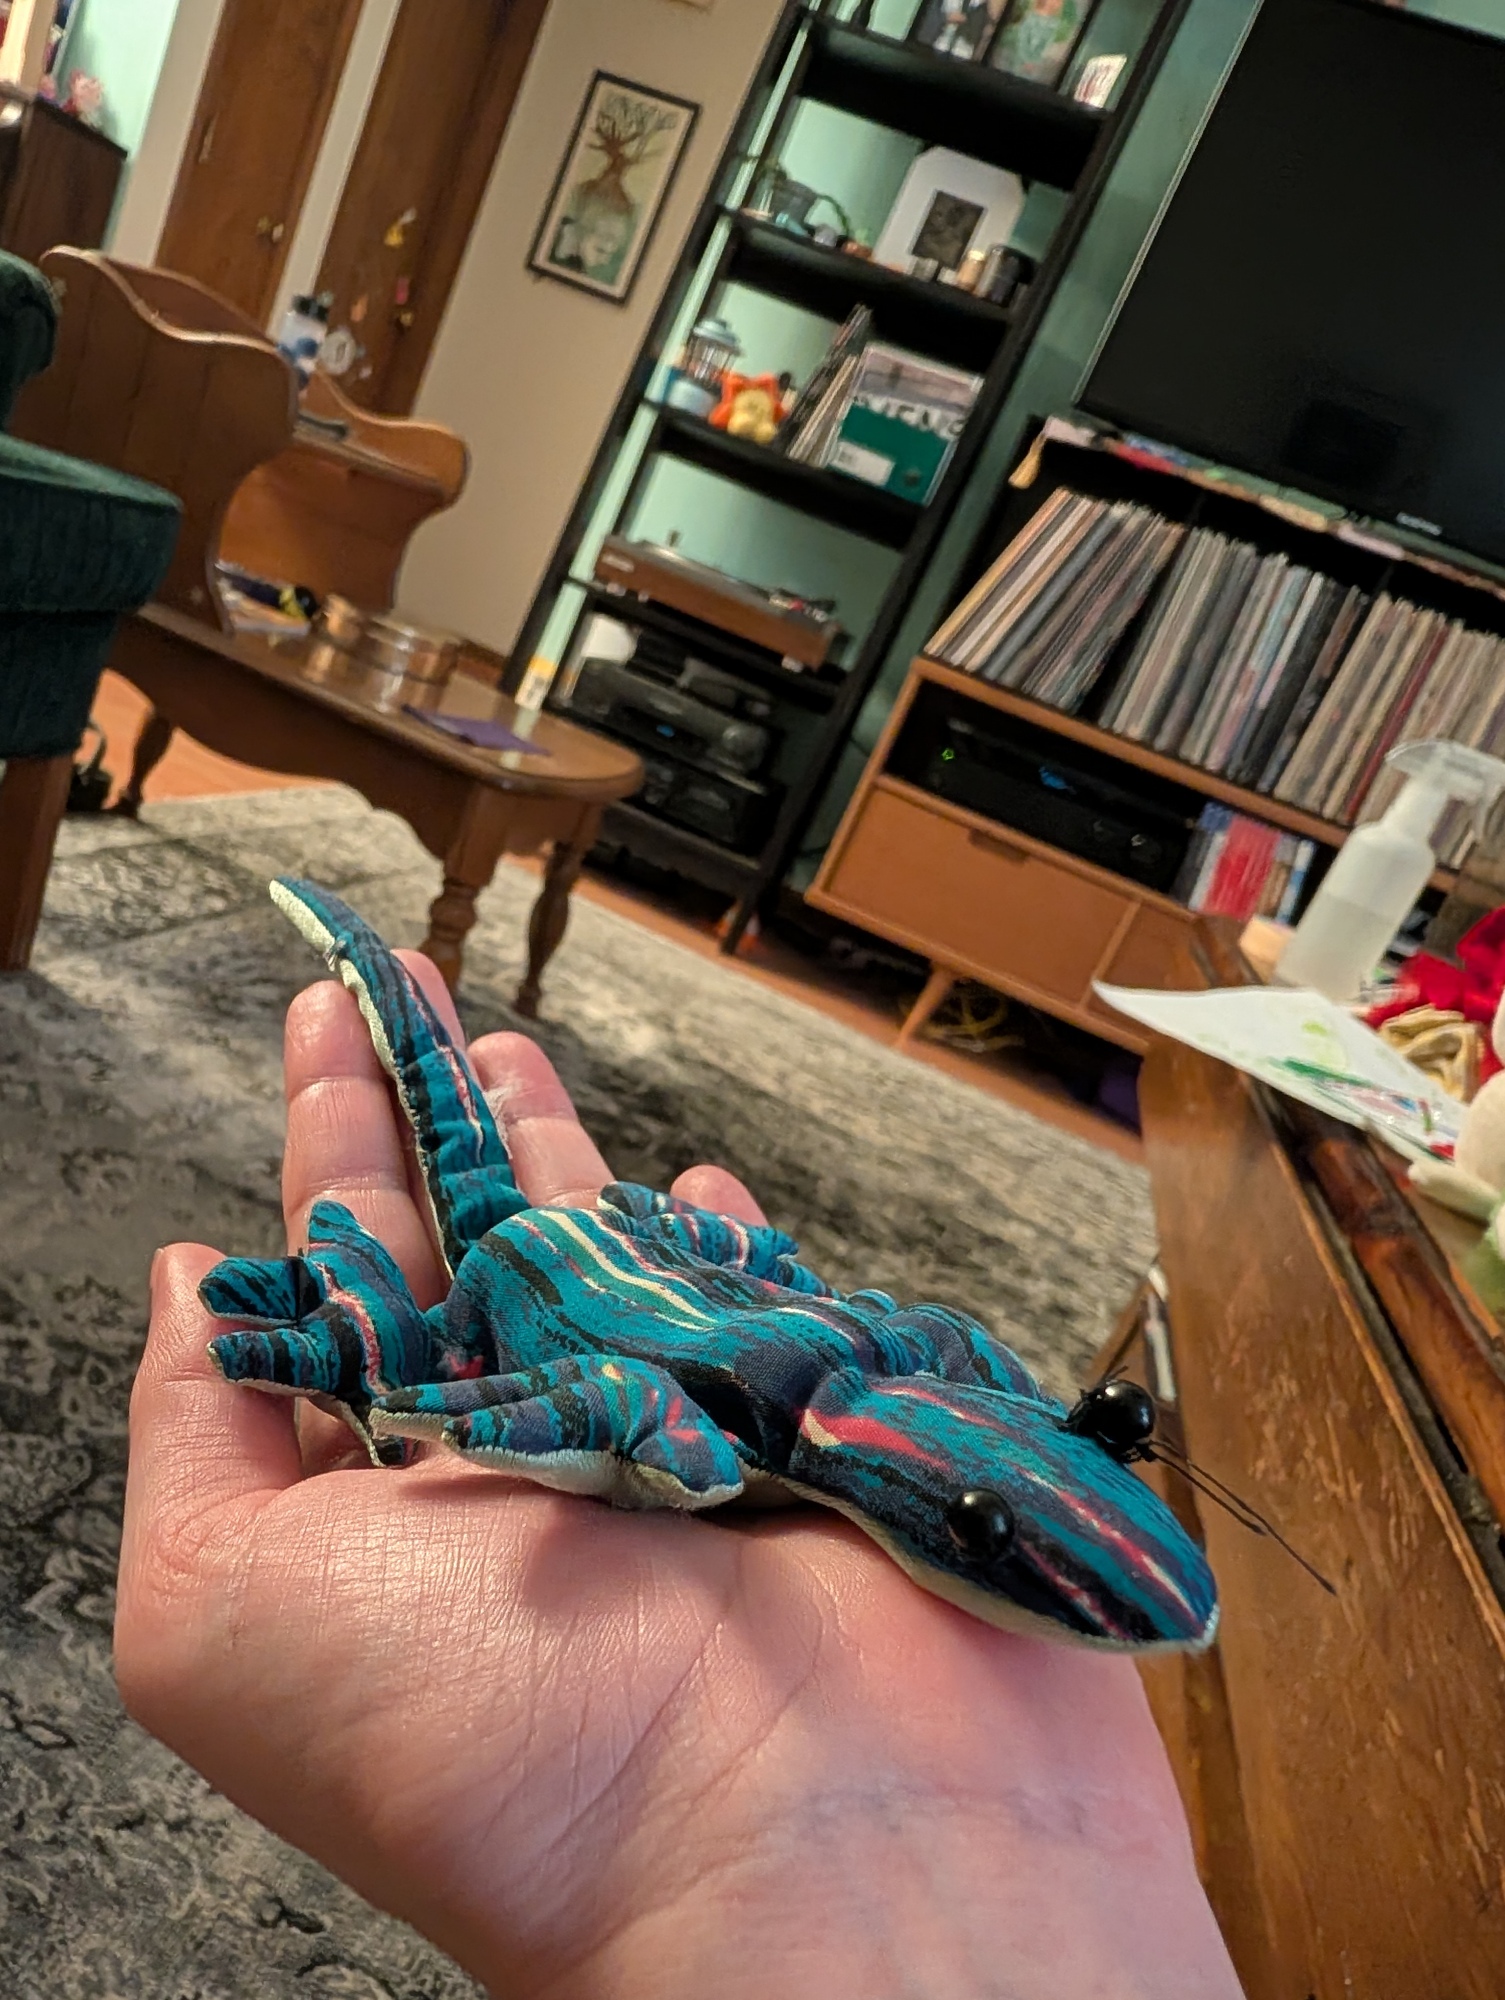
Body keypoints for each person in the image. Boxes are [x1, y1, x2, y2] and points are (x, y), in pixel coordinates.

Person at [115, 956, 1244, 1999]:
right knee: (416, 1352)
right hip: (526, 1288)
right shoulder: (752, 1426)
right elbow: (621, 1398)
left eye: (1106, 1427)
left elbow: (924, 1329)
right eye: (974, 1522)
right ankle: (354, 1297)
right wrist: (427, 1398)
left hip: (643, 1251)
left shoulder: (915, 1355)